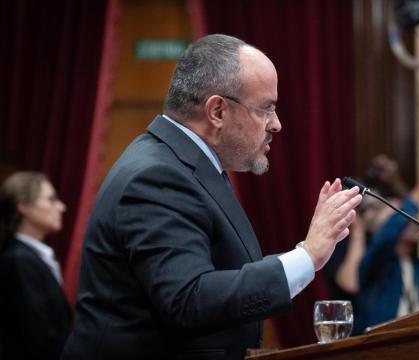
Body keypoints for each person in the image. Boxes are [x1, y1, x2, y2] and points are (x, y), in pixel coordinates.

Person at [62, 34, 362, 359]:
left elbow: (217, 277)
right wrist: (308, 256)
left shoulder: (184, 164)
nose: (276, 124)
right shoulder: (157, 176)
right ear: (217, 111)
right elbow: (189, 298)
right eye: (266, 109)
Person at [355, 162, 419, 334]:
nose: (413, 219)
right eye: (402, 216)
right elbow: (387, 237)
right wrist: (418, 192)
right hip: (381, 344)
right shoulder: (378, 265)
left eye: (413, 216)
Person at [0, 171, 71, 360]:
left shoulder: (32, 256)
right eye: (51, 199)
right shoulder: (19, 260)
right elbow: (39, 340)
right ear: (24, 206)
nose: (61, 207)